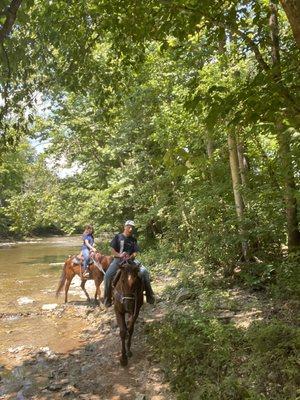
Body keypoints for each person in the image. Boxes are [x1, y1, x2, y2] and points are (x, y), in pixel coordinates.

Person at [103, 220, 155, 307]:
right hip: (118, 260)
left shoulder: (133, 239)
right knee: (107, 276)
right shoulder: (118, 237)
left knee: (144, 272)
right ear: (125, 227)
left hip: (131, 260)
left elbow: (135, 252)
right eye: (129, 227)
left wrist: (131, 257)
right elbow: (112, 251)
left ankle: (149, 294)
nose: (130, 229)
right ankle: (107, 298)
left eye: (132, 228)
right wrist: (119, 255)